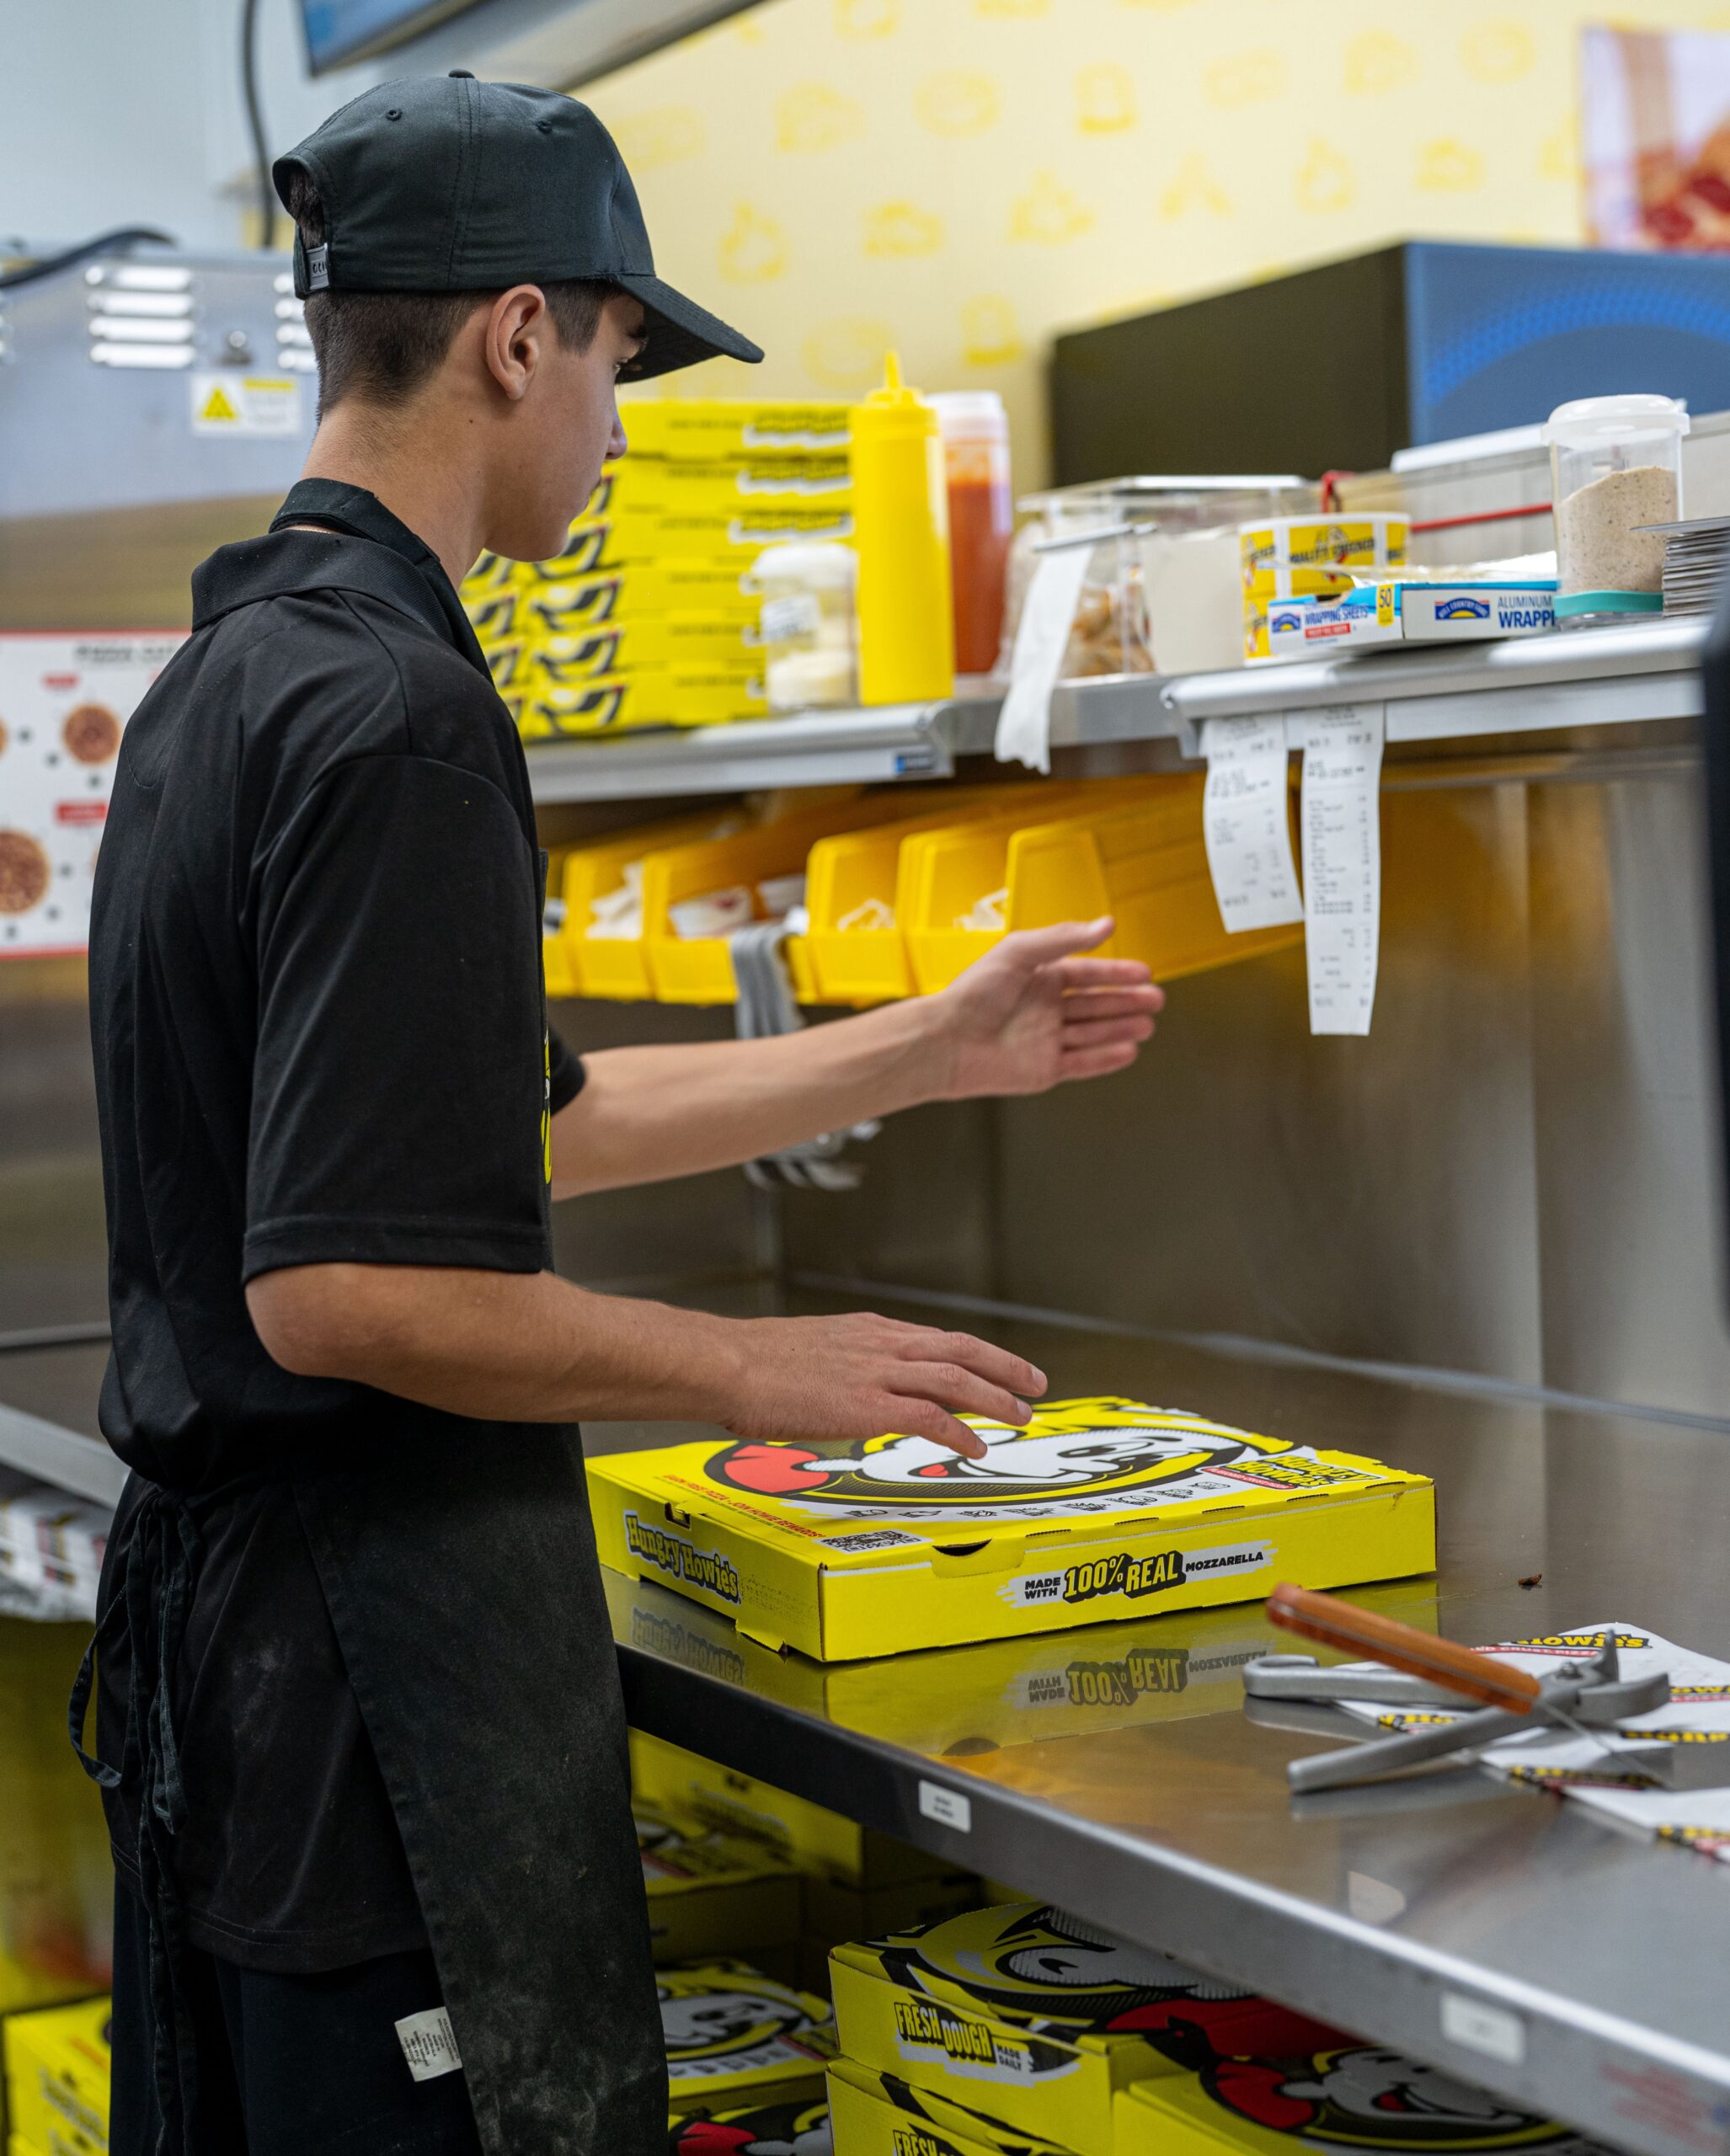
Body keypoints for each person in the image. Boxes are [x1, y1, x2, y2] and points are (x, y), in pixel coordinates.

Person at [79, 72, 1164, 2156]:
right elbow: (348, 1284)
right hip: (365, 1687)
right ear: (513, 334)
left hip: (262, 1677)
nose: (616, 409)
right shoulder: (395, 714)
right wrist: (757, 1359)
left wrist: (923, 1041)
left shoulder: (239, 668)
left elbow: (510, 1122)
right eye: (616, 351)